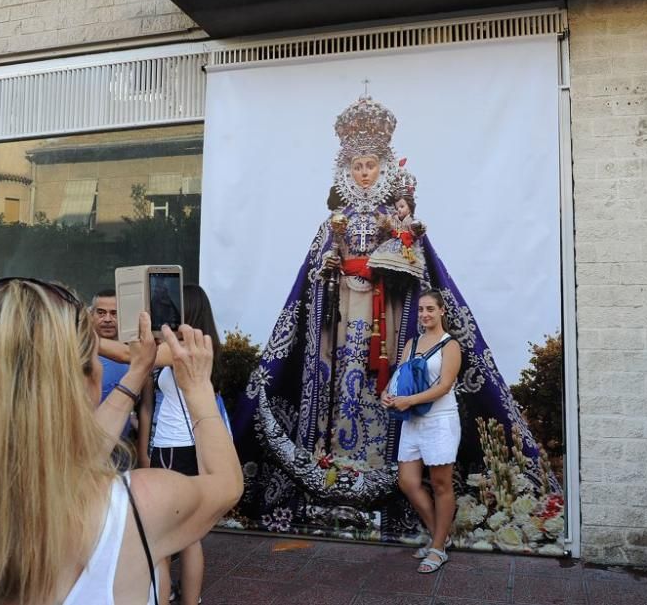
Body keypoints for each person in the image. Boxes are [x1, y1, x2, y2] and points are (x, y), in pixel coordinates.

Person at [232, 94, 559, 548]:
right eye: (356, 166)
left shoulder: (396, 217)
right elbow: (313, 274)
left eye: (370, 164)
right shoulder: (335, 220)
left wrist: (392, 255)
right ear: (345, 172)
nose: (363, 172)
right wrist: (331, 265)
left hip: (386, 324)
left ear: (383, 168)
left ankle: (389, 476)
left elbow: (418, 269)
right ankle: (333, 457)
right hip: (342, 327)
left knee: (379, 388)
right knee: (342, 387)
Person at [0, 278, 243, 605]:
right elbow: (226, 485)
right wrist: (198, 388)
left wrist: (137, 371)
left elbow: (76, 457)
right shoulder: (139, 504)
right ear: (87, 382)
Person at [140, 284, 230, 605]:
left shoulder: (180, 350)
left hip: (174, 448)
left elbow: (130, 356)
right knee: (189, 534)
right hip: (191, 444)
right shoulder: (205, 347)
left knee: (161, 536)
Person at [382, 289, 461, 573]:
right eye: (421, 310)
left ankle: (438, 548)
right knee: (407, 481)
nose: (425, 314)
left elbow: (443, 387)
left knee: (441, 484)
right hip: (412, 421)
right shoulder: (413, 343)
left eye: (430, 309)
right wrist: (388, 394)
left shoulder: (449, 345)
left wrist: (409, 400)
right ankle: (441, 535)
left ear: (442, 311)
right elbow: (400, 375)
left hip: (440, 421)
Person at [91, 290, 134, 438]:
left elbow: (146, 407)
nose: (107, 319)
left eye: (114, 313)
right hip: (86, 445)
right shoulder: (78, 353)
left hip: (124, 448)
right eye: (101, 313)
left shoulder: (136, 356)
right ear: (91, 315)